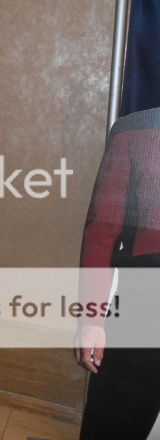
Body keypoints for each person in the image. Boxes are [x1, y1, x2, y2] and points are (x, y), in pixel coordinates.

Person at [75, 107, 160, 439]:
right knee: (113, 423)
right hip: (146, 301)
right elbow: (102, 232)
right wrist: (91, 319)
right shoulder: (136, 130)